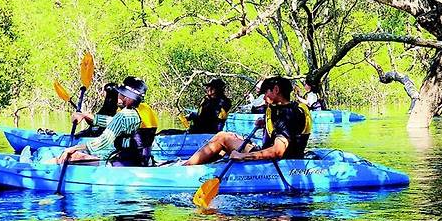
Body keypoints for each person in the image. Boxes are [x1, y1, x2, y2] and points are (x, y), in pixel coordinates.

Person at [183, 76, 311, 165]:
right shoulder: (287, 109)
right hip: (282, 157)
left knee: (222, 137)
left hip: (279, 163)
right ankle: (200, 165)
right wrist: (265, 124)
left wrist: (243, 156)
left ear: (276, 90)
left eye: (266, 92)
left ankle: (187, 168)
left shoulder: (287, 114)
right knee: (231, 137)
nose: (264, 97)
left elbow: (278, 151)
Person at [47, 76, 157, 165]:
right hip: (143, 160)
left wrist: (73, 148)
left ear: (127, 97)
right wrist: (86, 115)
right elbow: (114, 122)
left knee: (72, 156)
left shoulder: (123, 115)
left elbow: (103, 142)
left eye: (120, 93)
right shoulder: (144, 110)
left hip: (124, 164)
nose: (118, 96)